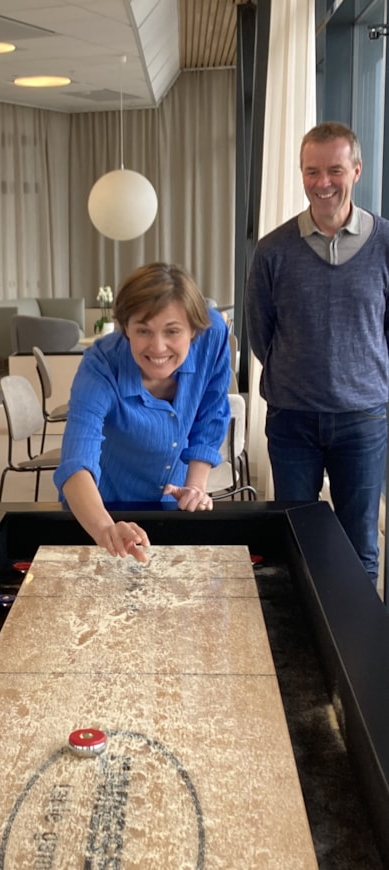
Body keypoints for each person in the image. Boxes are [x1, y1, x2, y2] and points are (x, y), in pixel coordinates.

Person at [246, 121, 389, 584]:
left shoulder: (386, 245)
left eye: (334, 170)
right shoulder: (272, 251)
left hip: (363, 419)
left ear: (357, 170)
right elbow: (259, 333)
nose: (322, 183)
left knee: (360, 545)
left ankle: (361, 653)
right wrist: (299, 375)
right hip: (292, 419)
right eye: (312, 171)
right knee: (294, 538)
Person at [54, 262, 231, 560]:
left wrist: (195, 487)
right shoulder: (101, 365)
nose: (158, 347)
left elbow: (211, 413)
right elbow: (77, 460)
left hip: (169, 501)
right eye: (143, 331)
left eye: (172, 331)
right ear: (126, 328)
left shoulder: (212, 335)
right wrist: (105, 529)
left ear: (194, 330)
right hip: (104, 506)